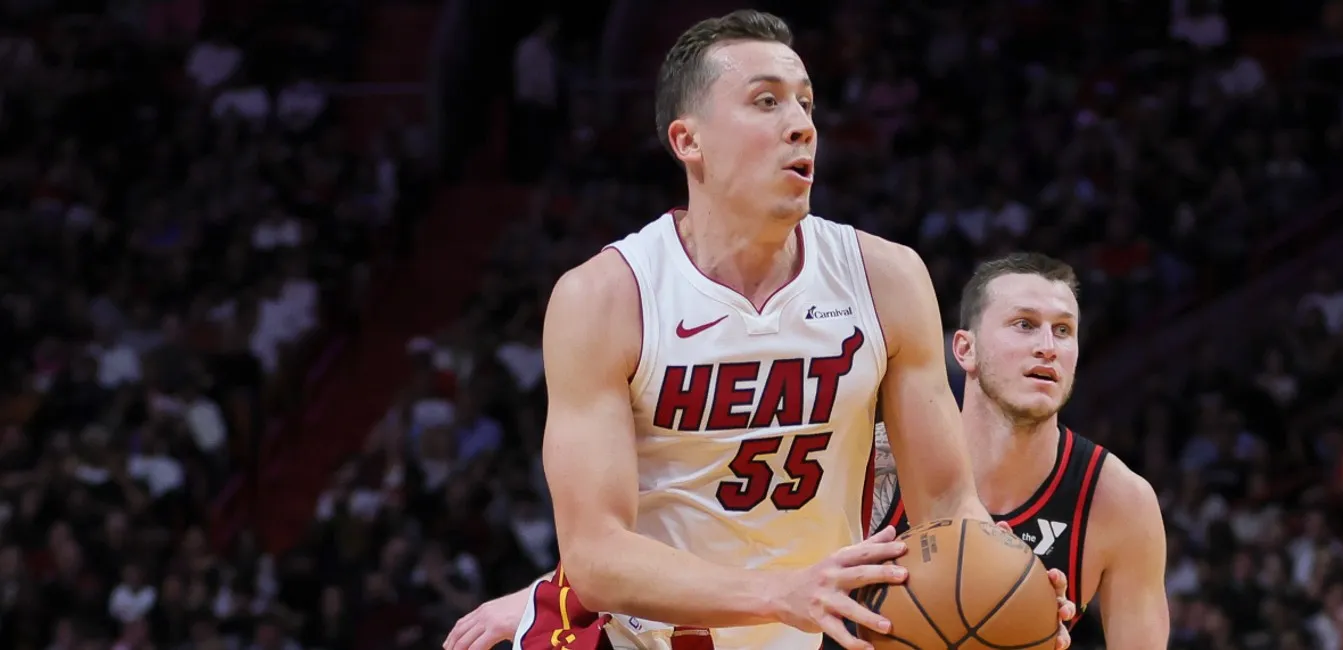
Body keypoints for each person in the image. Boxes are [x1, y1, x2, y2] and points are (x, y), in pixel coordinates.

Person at [445, 10, 1074, 650]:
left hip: (814, 630)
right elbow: (596, 556)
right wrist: (780, 593)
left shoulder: (887, 279)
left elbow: (947, 507)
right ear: (688, 141)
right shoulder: (606, 298)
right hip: (641, 637)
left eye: (806, 103)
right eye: (766, 101)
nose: (801, 124)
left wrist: (1010, 588)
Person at [846, 253, 1169, 649]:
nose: (1048, 347)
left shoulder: (1119, 502)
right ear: (965, 349)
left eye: (1063, 330)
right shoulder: (868, 459)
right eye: (1024, 325)